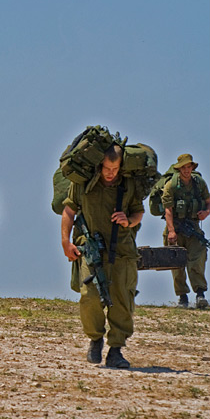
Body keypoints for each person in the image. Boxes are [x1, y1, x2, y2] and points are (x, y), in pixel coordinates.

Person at [61, 145, 144, 369]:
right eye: (107, 168)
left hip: (122, 250)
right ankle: (95, 339)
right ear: (100, 165)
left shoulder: (128, 184)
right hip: (90, 248)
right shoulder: (83, 183)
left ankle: (116, 349)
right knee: (89, 295)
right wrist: (65, 241)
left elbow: (139, 212)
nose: (110, 173)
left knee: (121, 299)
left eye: (114, 168)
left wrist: (129, 220)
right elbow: (69, 210)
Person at [162, 154, 210, 309]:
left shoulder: (199, 184)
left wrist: (206, 212)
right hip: (175, 227)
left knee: (198, 259)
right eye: (183, 167)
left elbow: (209, 201)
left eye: (189, 167)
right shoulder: (171, 185)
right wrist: (171, 231)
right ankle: (183, 297)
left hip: (193, 228)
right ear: (179, 168)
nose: (186, 170)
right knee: (176, 264)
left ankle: (200, 295)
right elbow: (168, 210)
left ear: (192, 168)